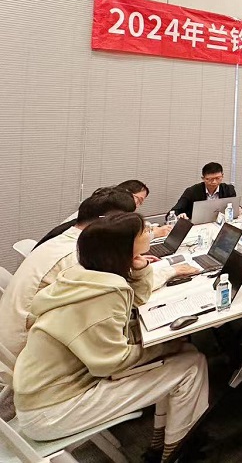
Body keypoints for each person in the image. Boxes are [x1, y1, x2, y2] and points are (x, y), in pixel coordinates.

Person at [13, 213, 209, 462]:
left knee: (187, 354)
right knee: (192, 365)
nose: (151, 232)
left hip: (46, 393)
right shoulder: (104, 293)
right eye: (144, 231)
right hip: (54, 409)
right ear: (123, 248)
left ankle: (161, 441)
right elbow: (112, 362)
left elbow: (135, 300)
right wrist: (163, 346)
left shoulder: (85, 276)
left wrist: (140, 268)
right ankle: (176, 454)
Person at [0, 188, 196, 358]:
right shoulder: (81, 256)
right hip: (34, 353)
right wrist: (170, 271)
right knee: (178, 350)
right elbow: (124, 295)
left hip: (21, 338)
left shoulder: (65, 240)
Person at [37, 179, 161, 248]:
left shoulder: (94, 208)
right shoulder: (81, 244)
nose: (137, 206)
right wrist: (153, 234)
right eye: (138, 200)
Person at [170, 162, 238, 219]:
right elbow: (173, 212)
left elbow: (234, 209)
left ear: (222, 176)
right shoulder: (191, 191)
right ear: (203, 178)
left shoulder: (229, 189)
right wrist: (180, 215)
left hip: (220, 224)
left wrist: (239, 209)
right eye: (210, 179)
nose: (214, 182)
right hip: (197, 225)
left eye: (217, 178)